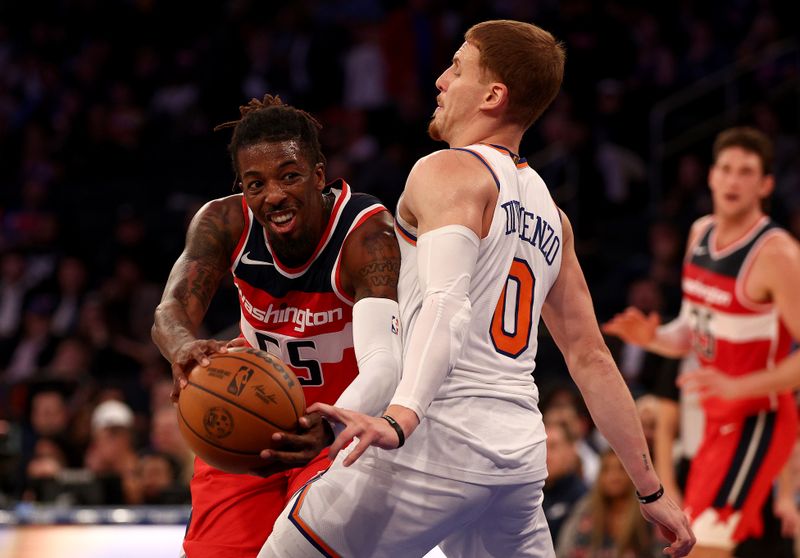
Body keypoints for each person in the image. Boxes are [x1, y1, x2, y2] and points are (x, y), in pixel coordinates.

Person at [261, 20, 693, 558]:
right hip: (516, 456)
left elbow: (448, 302)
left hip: (438, 436)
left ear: (494, 96)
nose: (441, 80)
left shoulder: (447, 171)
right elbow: (590, 357)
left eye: (458, 68)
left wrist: (401, 417)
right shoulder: (552, 216)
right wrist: (649, 487)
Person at [151, 95, 402, 558]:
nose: (274, 195)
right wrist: (184, 348)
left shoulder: (369, 236)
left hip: (337, 431)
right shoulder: (224, 221)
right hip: (249, 419)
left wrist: (332, 430)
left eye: (290, 176)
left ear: (319, 174)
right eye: (256, 183)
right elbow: (169, 312)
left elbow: (386, 362)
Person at [603, 126, 800, 557]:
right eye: (726, 169)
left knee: (703, 547)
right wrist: (654, 338)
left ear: (766, 184)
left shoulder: (777, 253)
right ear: (710, 176)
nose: (733, 180)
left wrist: (737, 386)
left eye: (747, 172)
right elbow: (693, 334)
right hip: (716, 419)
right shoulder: (699, 234)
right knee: (694, 542)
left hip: (759, 417)